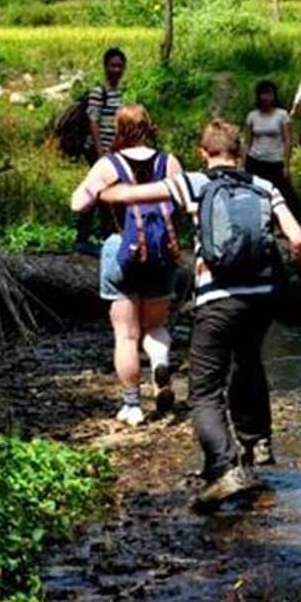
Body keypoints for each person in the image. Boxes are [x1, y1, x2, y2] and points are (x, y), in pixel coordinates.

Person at [98, 119, 301, 510]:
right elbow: (297, 240)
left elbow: (138, 194)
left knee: (204, 389)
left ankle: (223, 466)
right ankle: (256, 443)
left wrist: (105, 189)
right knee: (248, 362)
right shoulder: (264, 186)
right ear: (241, 150)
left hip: (216, 299)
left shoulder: (194, 183)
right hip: (262, 299)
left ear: (203, 152)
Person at [70, 104, 181, 426]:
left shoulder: (109, 164)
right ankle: (159, 358)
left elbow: (78, 203)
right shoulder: (168, 162)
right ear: (149, 127)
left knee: (127, 335)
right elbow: (184, 203)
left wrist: (103, 190)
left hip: (121, 251)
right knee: (155, 327)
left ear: (120, 129)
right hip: (161, 252)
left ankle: (132, 406)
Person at [74, 47, 127, 256]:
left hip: (112, 152)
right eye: (113, 65)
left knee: (106, 195)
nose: (117, 69)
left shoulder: (119, 92)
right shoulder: (99, 91)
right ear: (105, 67)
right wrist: (100, 153)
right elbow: (93, 120)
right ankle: (83, 238)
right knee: (95, 192)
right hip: (99, 151)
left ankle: (106, 236)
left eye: (120, 66)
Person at [245, 79, 301, 230]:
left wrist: (286, 164)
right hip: (255, 160)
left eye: (269, 94)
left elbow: (287, 140)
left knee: (286, 192)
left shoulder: (282, 115)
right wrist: (242, 163)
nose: (266, 98)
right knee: (257, 193)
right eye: (263, 94)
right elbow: (247, 142)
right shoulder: (252, 116)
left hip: (275, 160)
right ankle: (265, 224)